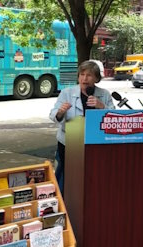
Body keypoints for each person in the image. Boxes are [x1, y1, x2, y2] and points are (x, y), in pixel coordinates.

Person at [49, 60, 115, 195]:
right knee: (66, 175)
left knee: (91, 174)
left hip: (95, 143)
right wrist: (61, 112)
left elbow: (114, 117)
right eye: (82, 75)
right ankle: (64, 201)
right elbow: (53, 114)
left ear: (96, 78)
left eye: (89, 75)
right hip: (69, 143)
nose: (84, 79)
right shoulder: (67, 93)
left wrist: (102, 107)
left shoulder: (104, 94)